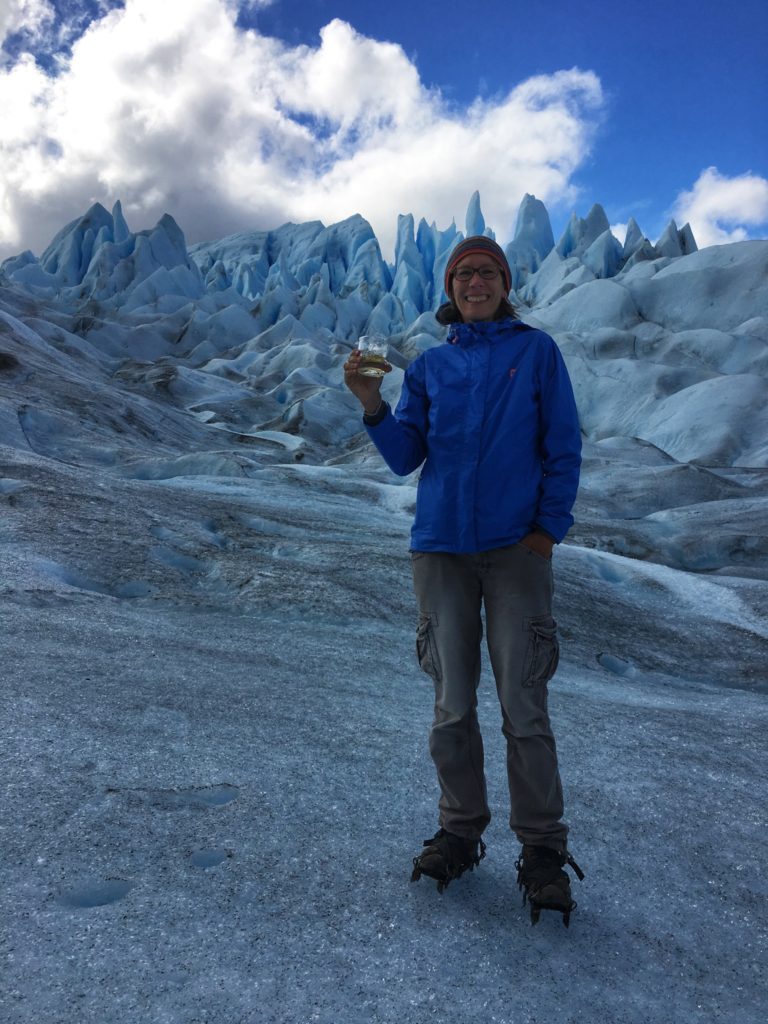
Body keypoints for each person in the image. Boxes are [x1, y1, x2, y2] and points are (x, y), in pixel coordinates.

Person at [343, 236, 584, 926]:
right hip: (441, 550)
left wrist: (546, 532)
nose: (475, 281)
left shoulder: (535, 353)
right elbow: (404, 458)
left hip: (515, 552)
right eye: (463, 273)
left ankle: (541, 849)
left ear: (504, 283)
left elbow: (562, 444)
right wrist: (372, 404)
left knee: (523, 704)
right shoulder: (431, 368)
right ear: (450, 290)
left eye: (486, 272)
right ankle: (461, 831)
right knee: (451, 705)